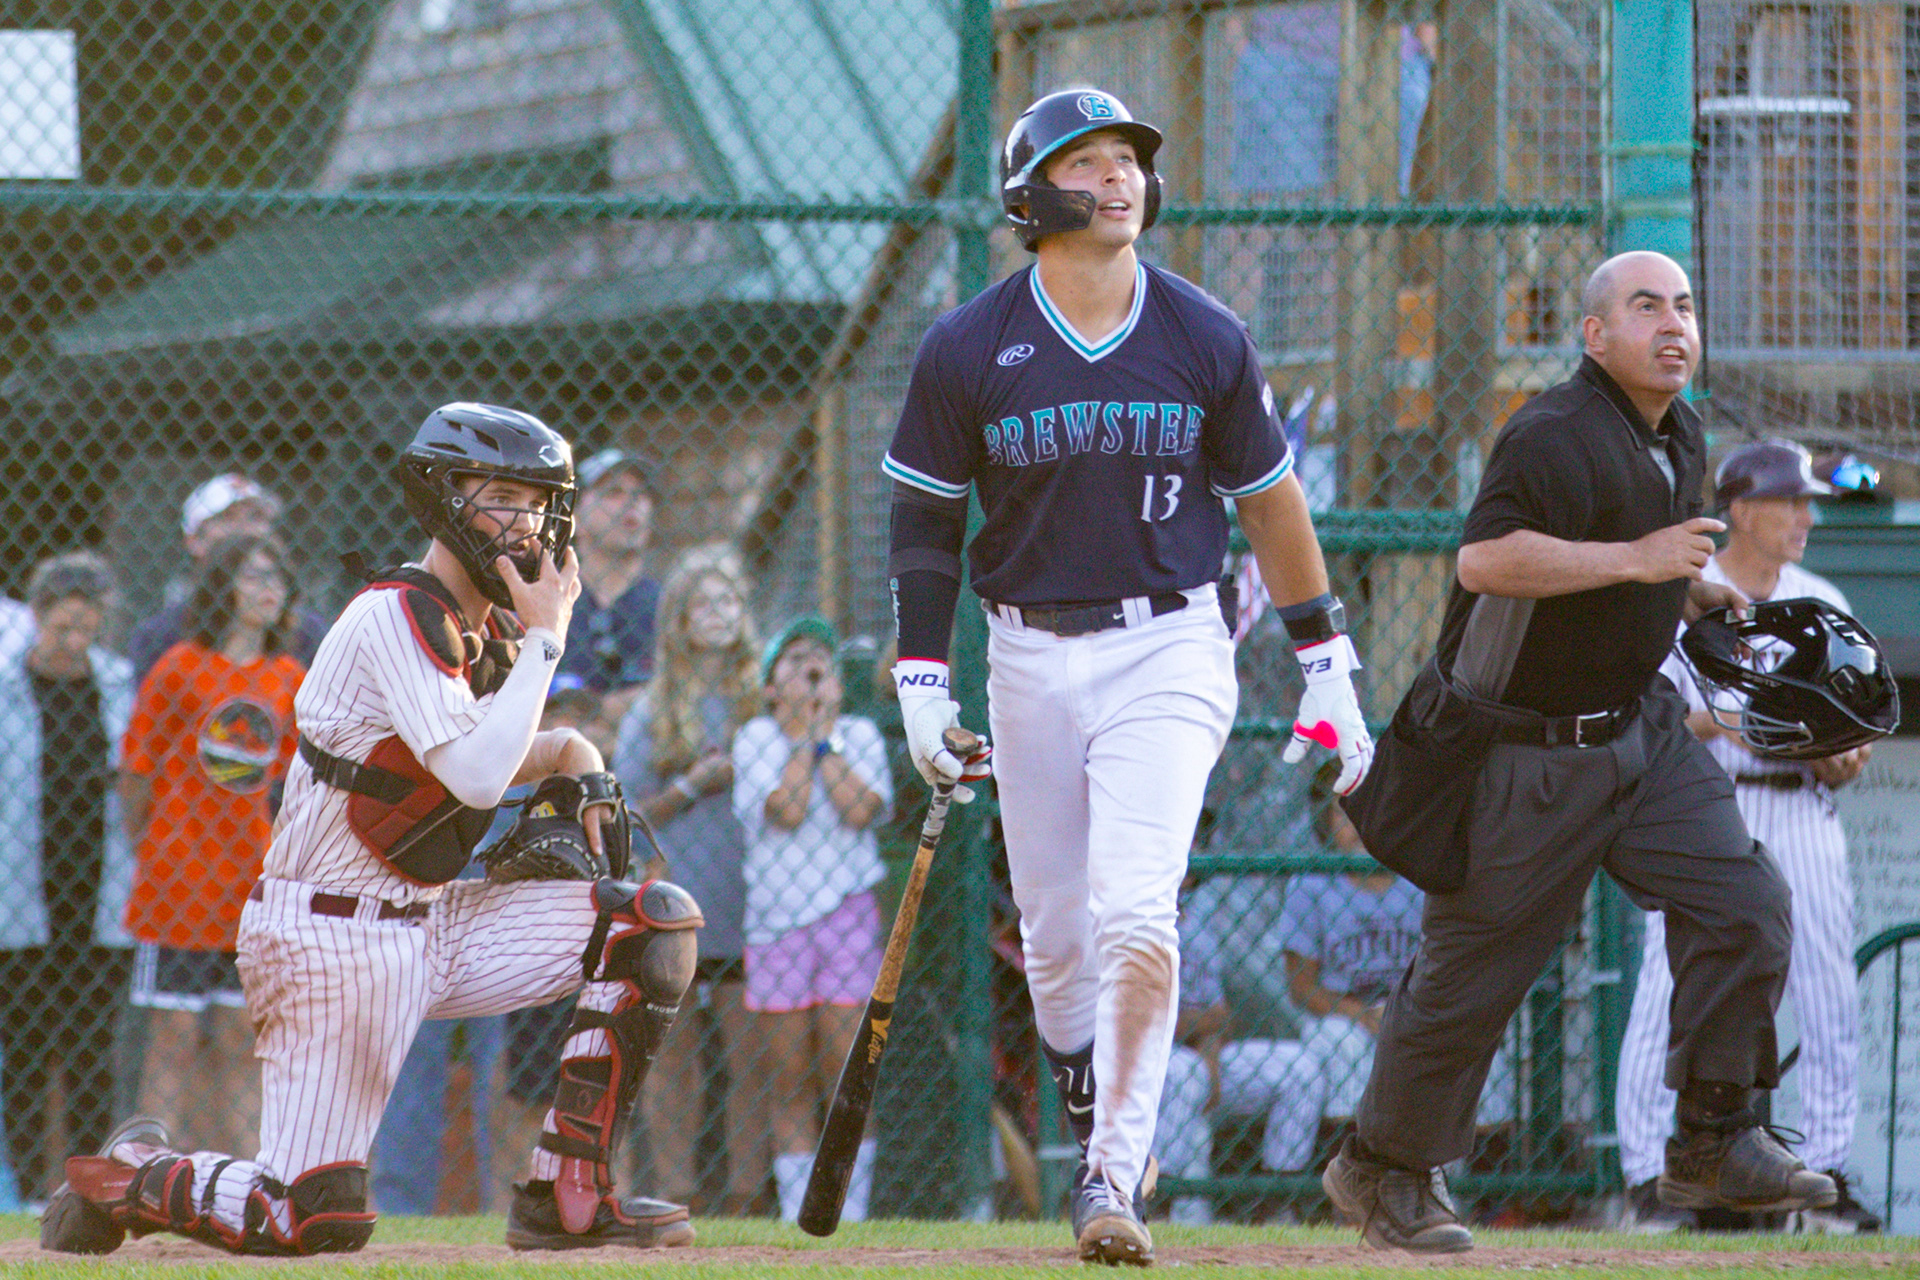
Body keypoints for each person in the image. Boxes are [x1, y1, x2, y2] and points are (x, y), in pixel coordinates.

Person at [881, 88, 1372, 1265]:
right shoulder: (965, 346)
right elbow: (920, 525)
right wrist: (919, 676)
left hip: (1169, 642)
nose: (1116, 178)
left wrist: (1326, 661)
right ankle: (1104, 1121)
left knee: (1136, 908)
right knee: (1053, 937)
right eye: (1085, 161)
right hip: (1027, 653)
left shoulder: (1203, 332)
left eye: (1129, 161)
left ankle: (1110, 1177)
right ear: (1028, 195)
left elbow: (1270, 502)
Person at [41, 402, 702, 1256]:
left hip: (433, 923)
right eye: (500, 493)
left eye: (536, 499)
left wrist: (569, 747)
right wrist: (547, 644)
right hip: (326, 936)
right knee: (311, 1217)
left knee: (648, 922)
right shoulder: (394, 613)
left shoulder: (481, 627)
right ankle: (130, 1172)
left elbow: (471, 754)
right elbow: (471, 772)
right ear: (442, 499)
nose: (526, 519)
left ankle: (565, 1195)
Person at [1319, 251, 1837, 1254]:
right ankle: (1380, 1166)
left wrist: (1684, 592)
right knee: (1473, 977)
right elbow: (1486, 558)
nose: (1674, 323)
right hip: (1524, 752)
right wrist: (1643, 561)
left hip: (1637, 729)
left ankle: (1713, 1134)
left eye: (1685, 304)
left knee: (1747, 902)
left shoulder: (1676, 427)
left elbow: (1629, 559)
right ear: (1596, 336)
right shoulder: (1552, 433)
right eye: (1647, 307)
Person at [1616, 438, 1881, 1234]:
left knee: (1828, 988)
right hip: (1712, 801)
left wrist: (1838, 753)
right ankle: (1644, 1174)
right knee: (1667, 985)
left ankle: (1828, 1168)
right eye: (1789, 500)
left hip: (1802, 807)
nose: (1805, 516)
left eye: (1808, 502)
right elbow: (1651, 723)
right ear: (1740, 509)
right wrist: (1742, 718)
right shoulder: (1689, 596)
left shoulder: (1820, 597)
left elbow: (1853, 742)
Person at [121, 534, 304, 1160]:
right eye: (253, 574)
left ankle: (245, 1177)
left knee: (237, 1036)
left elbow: (292, 784)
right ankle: (145, 1170)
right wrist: (155, 849)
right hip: (178, 884)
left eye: (277, 578)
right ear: (221, 585)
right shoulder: (178, 666)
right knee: (171, 1034)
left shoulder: (289, 678)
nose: (267, 588)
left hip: (248, 885)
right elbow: (136, 771)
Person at [616, 543, 766, 1215]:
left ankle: (746, 1193)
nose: (719, 613)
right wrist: (691, 786)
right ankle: (676, 1189)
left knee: (750, 1055)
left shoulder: (762, 701)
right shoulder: (652, 711)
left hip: (749, 900)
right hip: (676, 899)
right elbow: (626, 812)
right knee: (672, 1058)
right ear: (678, 620)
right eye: (704, 602)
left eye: (729, 600)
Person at [732, 615, 891, 1223]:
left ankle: (849, 1212)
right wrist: (801, 738)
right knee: (790, 1073)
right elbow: (788, 810)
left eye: (820, 659)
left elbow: (857, 810)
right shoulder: (755, 738)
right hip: (777, 925)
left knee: (845, 1067)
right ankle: (803, 1210)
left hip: (847, 913)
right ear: (771, 686)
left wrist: (825, 737)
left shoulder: (859, 735)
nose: (810, 668)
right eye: (794, 659)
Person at [0, 553, 137, 1203]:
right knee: (25, 1043)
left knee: (90, 1047)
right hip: (22, 887)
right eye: (63, 629)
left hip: (99, 885)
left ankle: (86, 1187)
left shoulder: (118, 683)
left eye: (87, 629)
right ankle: (26, 1186)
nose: (75, 642)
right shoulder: (6, 685)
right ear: (38, 619)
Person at [125, 474, 329, 686]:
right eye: (227, 518)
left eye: (255, 517)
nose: (244, 528)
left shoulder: (307, 632)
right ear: (195, 540)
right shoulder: (161, 636)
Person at [558, 449, 660, 727]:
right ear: (575, 515)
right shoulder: (550, 599)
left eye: (641, 494)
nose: (632, 504)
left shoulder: (666, 604)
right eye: (613, 492)